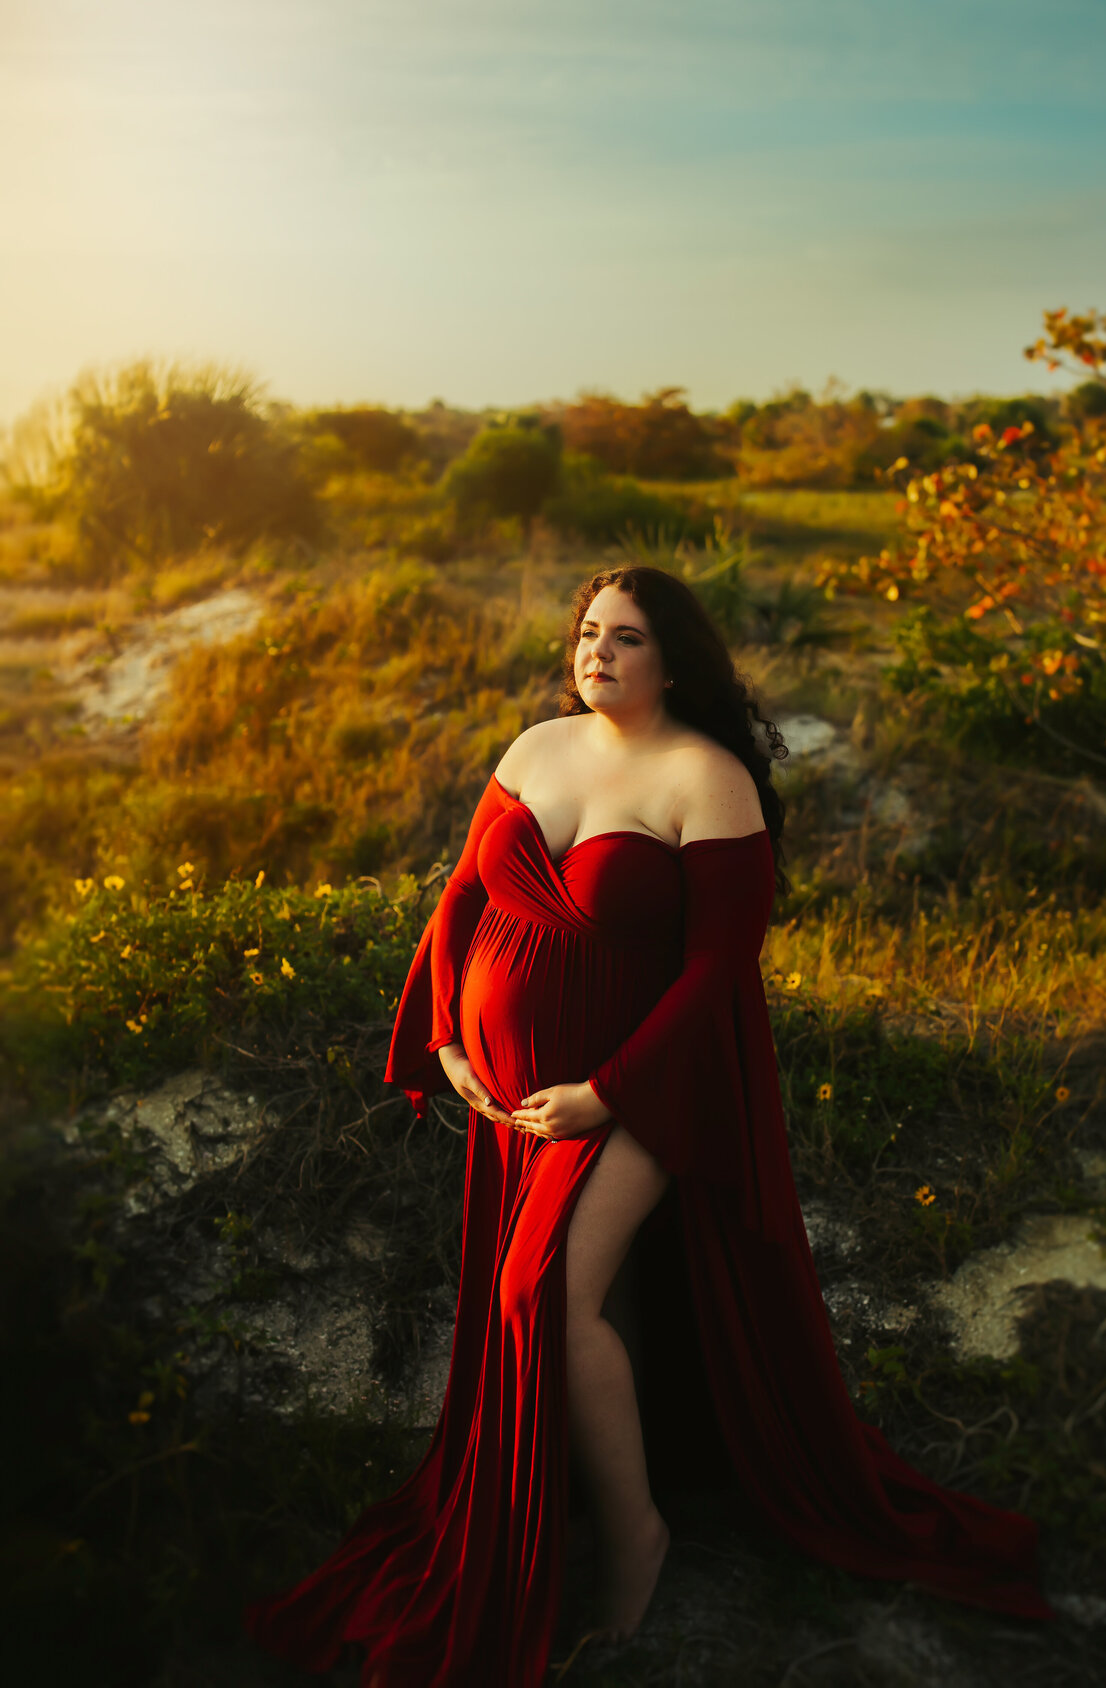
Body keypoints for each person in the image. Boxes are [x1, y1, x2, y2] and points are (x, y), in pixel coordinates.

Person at [245, 565, 1052, 1687]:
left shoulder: (704, 778)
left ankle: (636, 1533)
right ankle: (576, 1494)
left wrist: (609, 1092)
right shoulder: (536, 748)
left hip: (651, 1088)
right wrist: (444, 1037)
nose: (598, 654)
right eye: (587, 633)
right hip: (516, 1095)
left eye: (626, 639)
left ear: (675, 661)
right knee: (563, 1298)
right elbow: (462, 897)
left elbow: (720, 971)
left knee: (547, 1295)